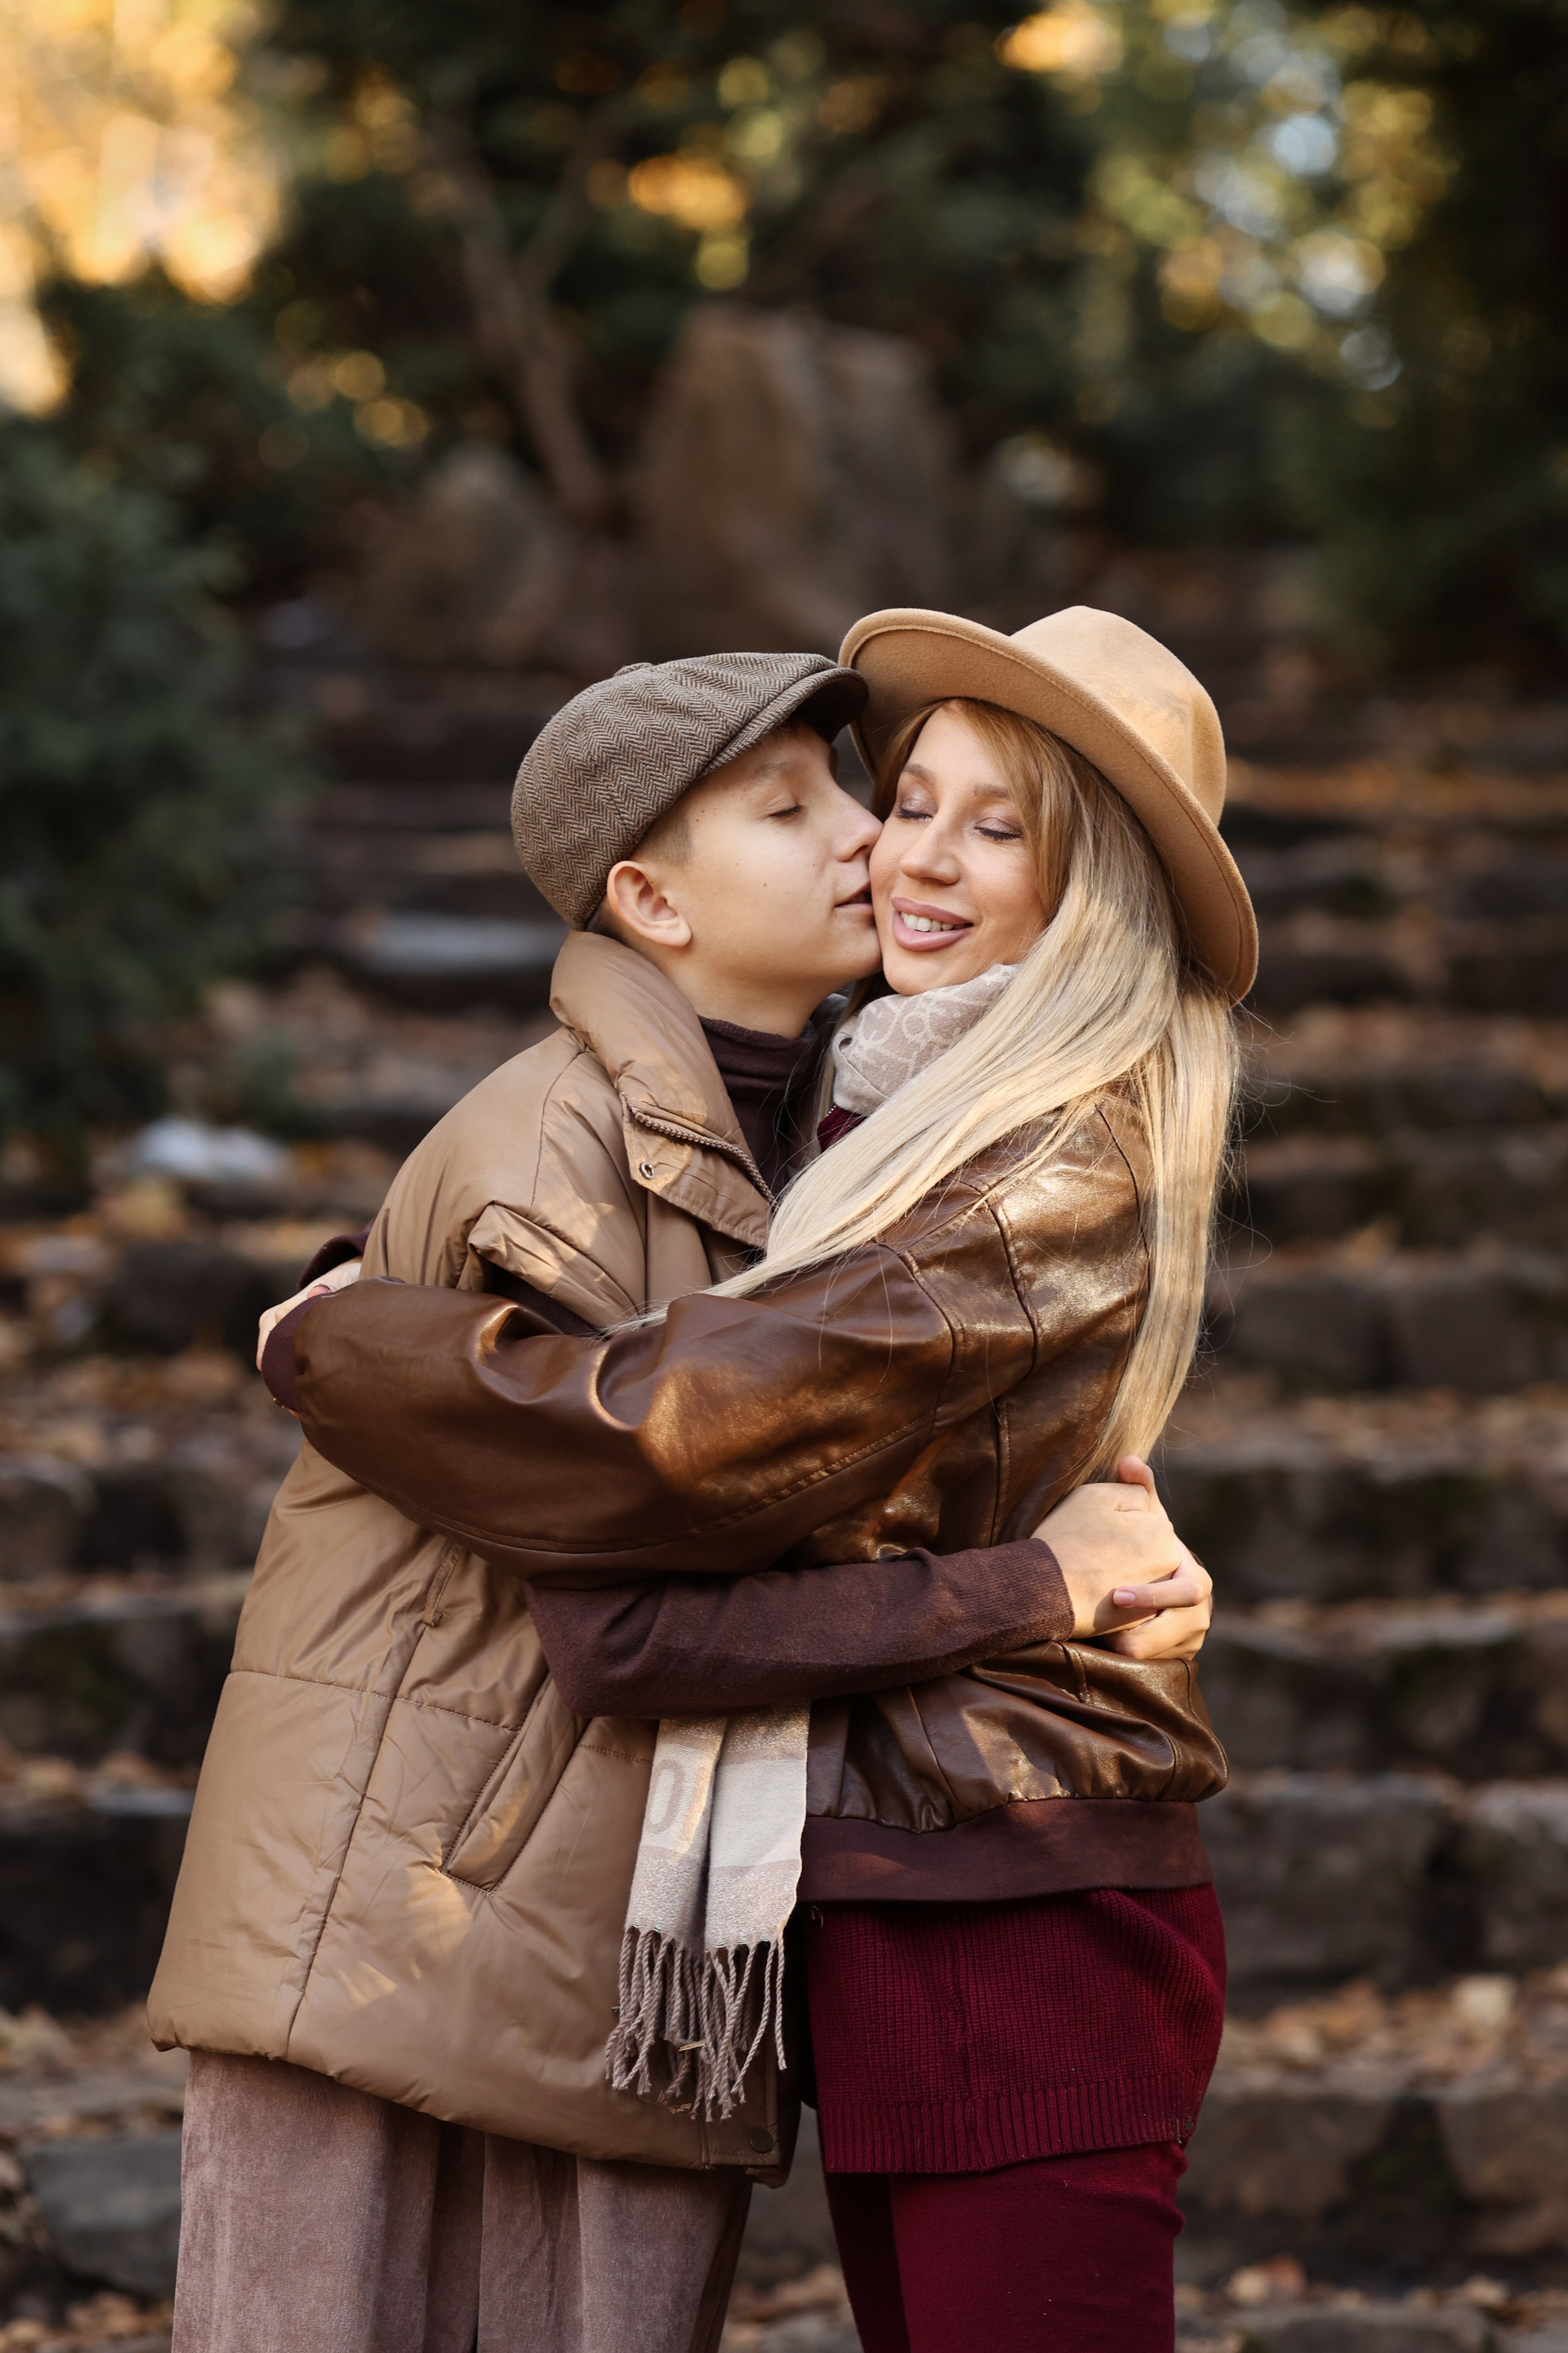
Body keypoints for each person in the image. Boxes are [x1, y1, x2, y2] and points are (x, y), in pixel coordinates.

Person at [150, 648, 1208, 2353]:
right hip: (458, 1911)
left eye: (979, 822)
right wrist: (351, 1314)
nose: (882, 844)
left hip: (890, 1891)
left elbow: (672, 1435)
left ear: (1086, 897)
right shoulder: (743, 1137)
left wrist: (341, 1329)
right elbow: (646, 1510)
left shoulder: (958, 1160)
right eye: (858, 803)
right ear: (651, 899)